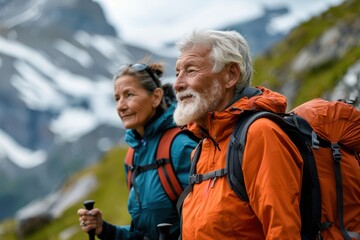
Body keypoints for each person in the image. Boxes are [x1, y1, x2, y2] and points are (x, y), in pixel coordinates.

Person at [173, 29, 303, 239]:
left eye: (191, 70)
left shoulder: (260, 134)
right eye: (177, 72)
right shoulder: (202, 148)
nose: (177, 84)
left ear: (231, 75)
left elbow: (283, 231)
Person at [77, 62, 198, 239]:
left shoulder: (181, 147)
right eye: (117, 98)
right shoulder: (132, 157)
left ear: (156, 97)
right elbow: (143, 235)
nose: (120, 106)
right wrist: (104, 229)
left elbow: (209, 219)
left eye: (129, 95)